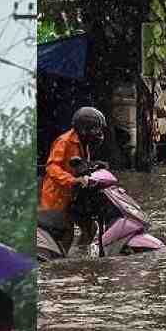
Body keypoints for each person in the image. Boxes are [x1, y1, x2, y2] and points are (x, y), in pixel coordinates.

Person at [39, 106, 107, 253]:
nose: (98, 133)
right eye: (95, 129)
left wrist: (93, 166)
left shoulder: (84, 144)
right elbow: (52, 168)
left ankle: (79, 255)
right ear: (84, 129)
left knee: (90, 228)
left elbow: (78, 165)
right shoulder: (64, 141)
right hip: (56, 196)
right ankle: (62, 262)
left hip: (73, 196)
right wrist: (72, 180)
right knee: (66, 232)